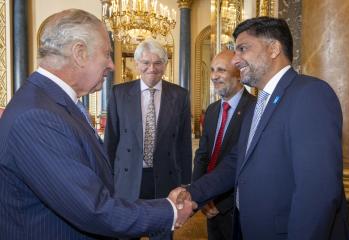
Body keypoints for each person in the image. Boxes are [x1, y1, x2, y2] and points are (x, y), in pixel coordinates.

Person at [0, 9, 194, 240]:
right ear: (80, 53)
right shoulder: (38, 117)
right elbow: (94, 209)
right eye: (106, 54)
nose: (112, 65)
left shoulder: (53, 103)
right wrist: (170, 211)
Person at [177, 16, 349, 240]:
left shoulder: (310, 94)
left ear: (273, 49)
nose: (235, 60)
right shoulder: (257, 105)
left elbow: (317, 193)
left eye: (243, 49)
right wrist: (192, 192)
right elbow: (236, 162)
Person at [104, 39, 192, 239]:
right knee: (126, 233)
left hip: (164, 180)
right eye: (145, 63)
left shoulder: (180, 95)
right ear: (137, 65)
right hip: (127, 179)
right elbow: (111, 140)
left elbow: (183, 145)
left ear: (165, 65)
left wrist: (185, 184)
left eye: (158, 63)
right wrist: (107, 179)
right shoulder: (119, 93)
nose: (152, 68)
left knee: (161, 234)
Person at [192, 50, 255, 240]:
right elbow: (202, 156)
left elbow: (248, 166)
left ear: (238, 74)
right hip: (208, 202)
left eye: (221, 70)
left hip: (237, 209)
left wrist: (220, 204)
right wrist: (199, 195)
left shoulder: (254, 109)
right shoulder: (211, 111)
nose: (213, 76)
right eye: (212, 70)